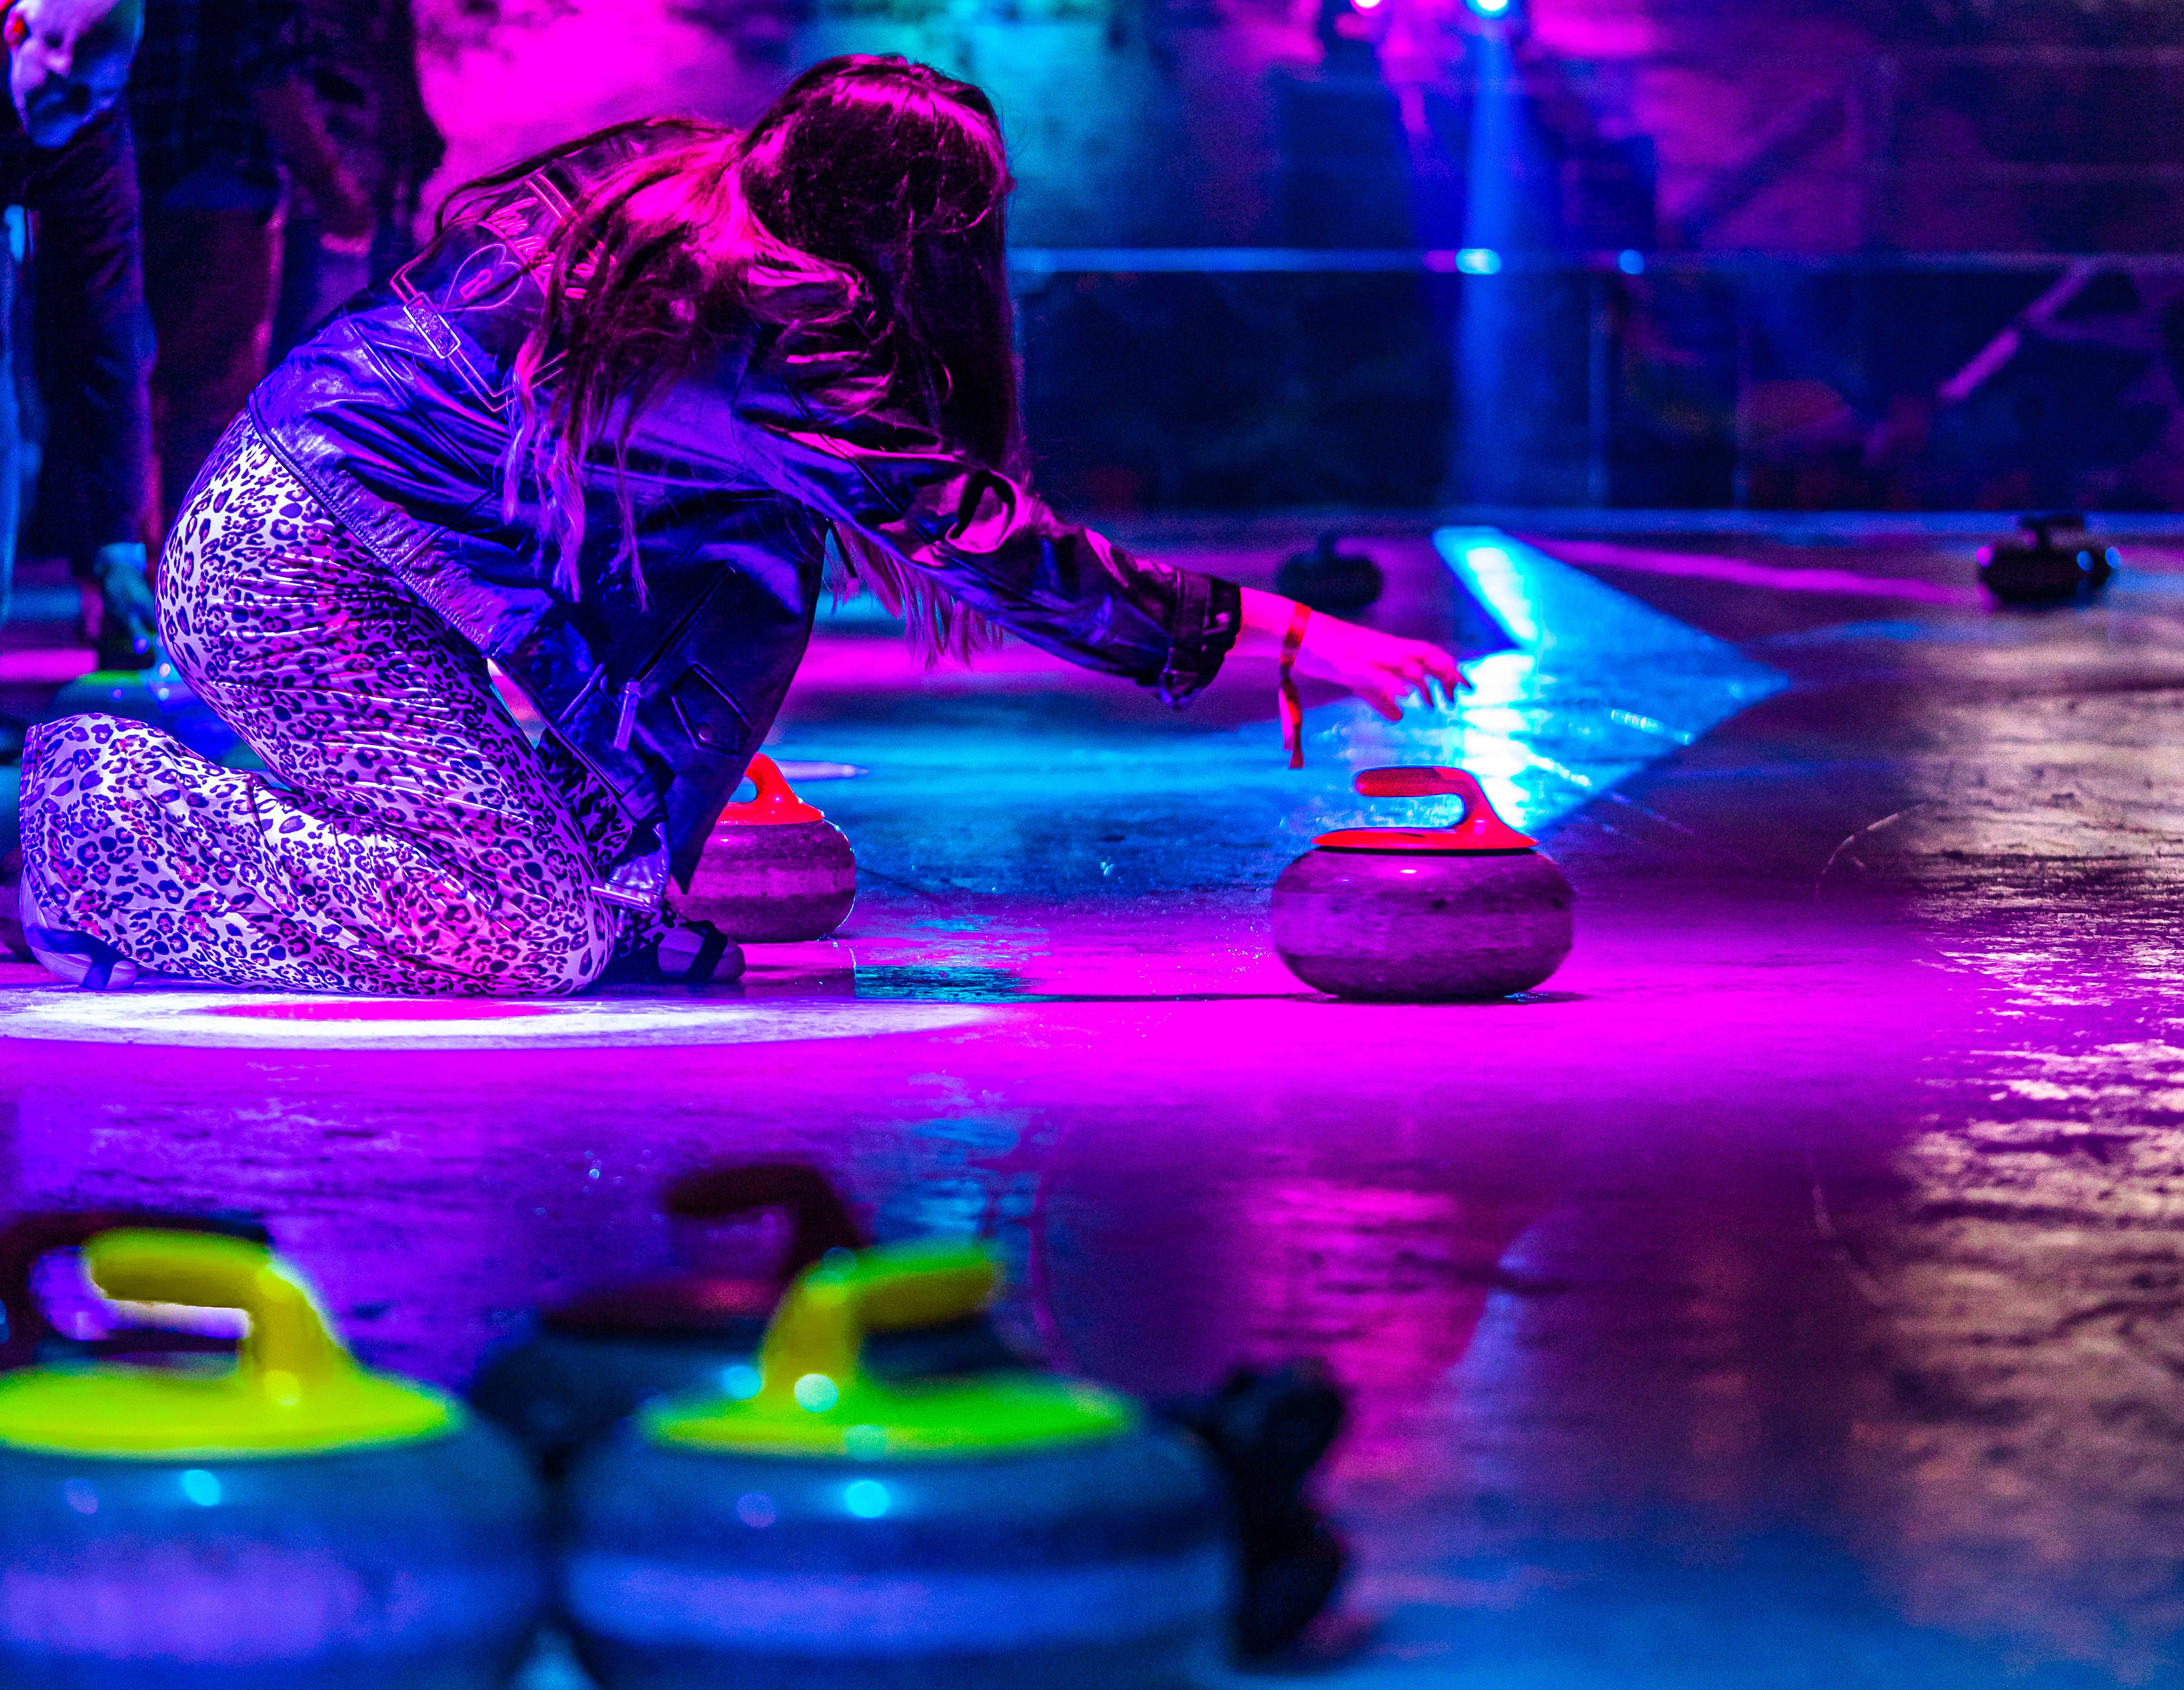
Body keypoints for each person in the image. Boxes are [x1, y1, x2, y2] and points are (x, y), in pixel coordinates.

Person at [16, 55, 1462, 997]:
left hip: (379, 543)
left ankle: (601, 872)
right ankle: (79, 814)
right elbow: (992, 545)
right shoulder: (772, 317)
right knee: (512, 938)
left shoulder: (691, 182)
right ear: (905, 227)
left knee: (763, 563)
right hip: (301, 561)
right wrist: (1283, 633)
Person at [129, 0, 371, 530]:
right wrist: (332, 184)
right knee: (209, 402)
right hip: (222, 186)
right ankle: (191, 572)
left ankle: (125, 585)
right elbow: (262, 62)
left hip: (131, 186)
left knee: (138, 395)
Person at [0, 0, 157, 681]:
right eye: (62, 86)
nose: (73, 113)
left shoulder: (91, 124)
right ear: (14, 28)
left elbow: (109, 333)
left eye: (98, 96)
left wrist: (117, 544)